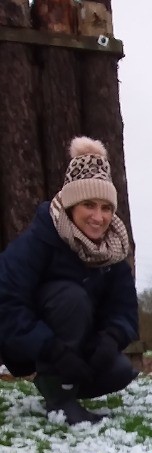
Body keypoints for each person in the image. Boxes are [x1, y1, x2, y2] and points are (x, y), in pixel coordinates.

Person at [0, 137, 139, 425]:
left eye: (106, 208)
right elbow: (7, 301)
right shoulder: (40, 240)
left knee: (119, 371)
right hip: (32, 344)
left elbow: (124, 309)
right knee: (70, 296)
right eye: (89, 205)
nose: (99, 217)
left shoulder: (114, 249)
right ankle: (61, 399)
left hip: (78, 344)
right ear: (71, 204)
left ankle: (61, 383)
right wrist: (49, 348)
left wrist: (110, 339)